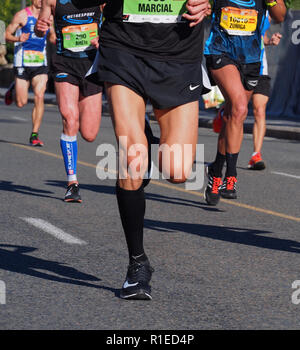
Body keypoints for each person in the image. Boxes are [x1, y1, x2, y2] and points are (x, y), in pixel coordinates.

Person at [88, 0, 211, 300]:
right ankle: (137, 264)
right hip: (123, 47)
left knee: (178, 171)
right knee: (132, 158)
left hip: (179, 51)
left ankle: (143, 137)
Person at [203, 0, 286, 206]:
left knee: (234, 115)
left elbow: (280, 16)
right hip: (220, 51)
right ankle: (230, 177)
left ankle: (215, 170)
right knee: (240, 106)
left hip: (251, 58)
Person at [35, 0, 104, 203]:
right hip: (64, 63)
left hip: (92, 65)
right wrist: (40, 29)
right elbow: (41, 29)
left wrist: (105, 39)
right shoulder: (52, 1)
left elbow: (117, 22)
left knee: (90, 134)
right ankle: (72, 183)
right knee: (69, 116)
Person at [5, 0, 56, 146]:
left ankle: (34, 134)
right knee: (21, 103)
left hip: (40, 63)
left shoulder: (49, 17)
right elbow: (6, 34)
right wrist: (17, 38)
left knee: (40, 96)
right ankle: (14, 87)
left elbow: (51, 35)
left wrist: (56, 40)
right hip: (22, 62)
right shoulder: (21, 15)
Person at [248, 17, 282, 170]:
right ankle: (222, 114)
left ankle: (256, 155)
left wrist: (269, 41)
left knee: (260, 111)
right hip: (240, 66)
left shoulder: (265, 10)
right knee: (236, 110)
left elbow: (261, 36)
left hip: (261, 69)